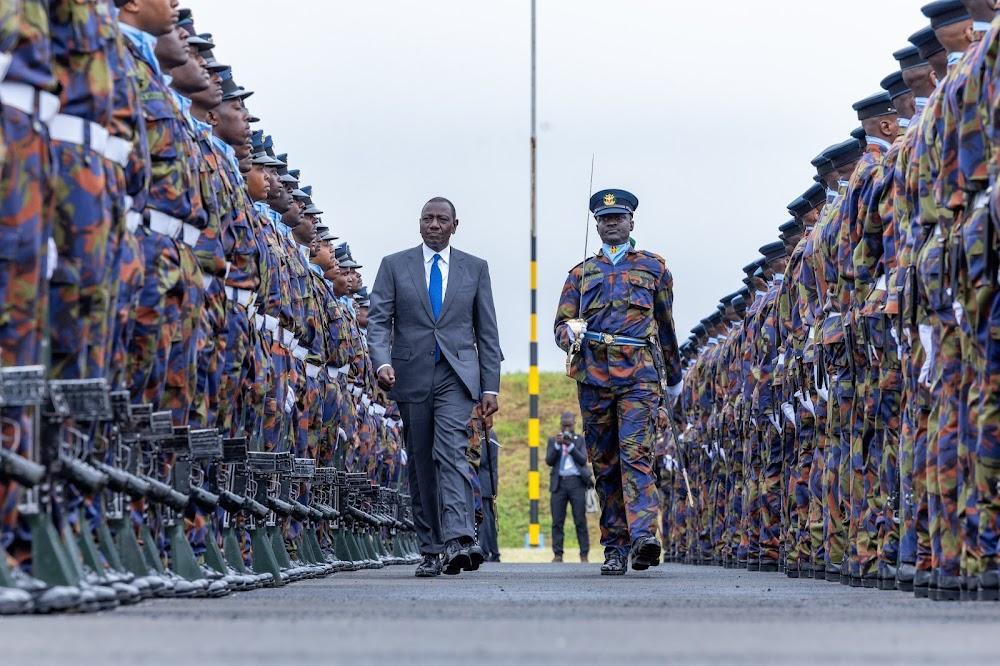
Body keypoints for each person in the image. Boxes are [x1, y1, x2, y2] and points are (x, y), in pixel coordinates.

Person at [368, 197, 502, 577]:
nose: (434, 225)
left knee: (451, 452)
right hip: (410, 375)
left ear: (455, 225)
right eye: (428, 218)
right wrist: (382, 361)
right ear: (419, 224)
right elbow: (379, 321)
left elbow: (487, 331)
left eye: (442, 219)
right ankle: (430, 547)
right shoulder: (394, 266)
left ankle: (459, 538)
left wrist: (490, 386)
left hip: (457, 376)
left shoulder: (475, 269)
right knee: (422, 462)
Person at [554, 188, 682, 575]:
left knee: (637, 454)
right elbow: (560, 327)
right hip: (593, 375)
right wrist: (570, 334)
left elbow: (665, 326)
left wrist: (673, 379)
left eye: (619, 217)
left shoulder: (654, 268)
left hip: (639, 375)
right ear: (596, 225)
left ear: (631, 222)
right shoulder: (580, 274)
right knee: (605, 463)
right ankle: (615, 545)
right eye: (605, 219)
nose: (612, 223)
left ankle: (644, 537)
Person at [546, 411, 590, 563]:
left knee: (580, 520)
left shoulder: (580, 440)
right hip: (559, 484)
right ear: (560, 424)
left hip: (577, 483)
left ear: (574, 424)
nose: (566, 429)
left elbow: (583, 459)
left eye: (569, 426)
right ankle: (558, 554)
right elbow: (549, 461)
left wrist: (570, 446)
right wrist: (558, 446)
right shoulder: (553, 440)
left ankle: (584, 554)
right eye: (564, 425)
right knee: (557, 521)